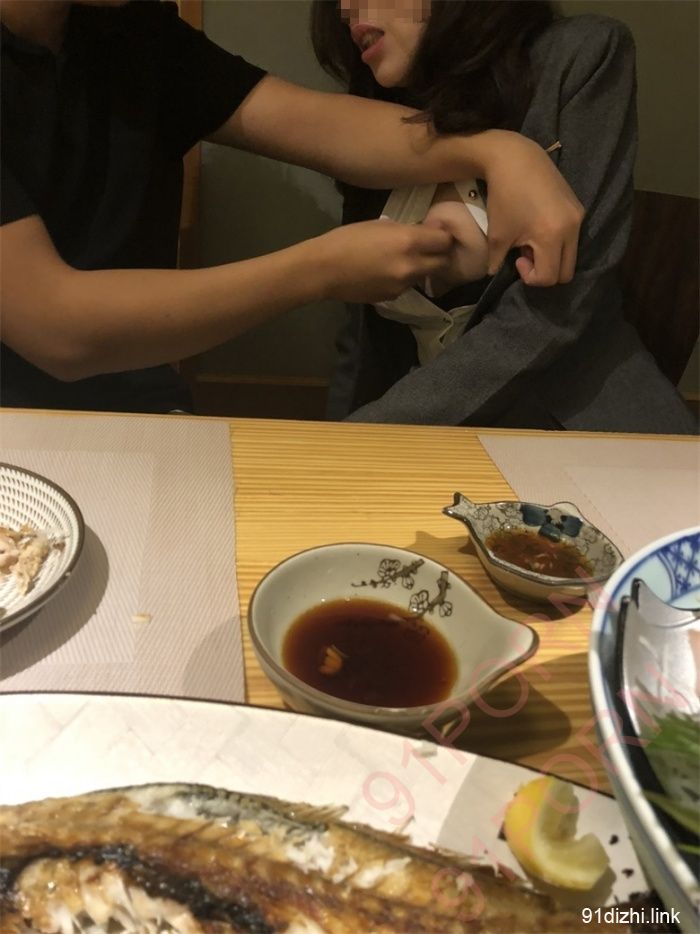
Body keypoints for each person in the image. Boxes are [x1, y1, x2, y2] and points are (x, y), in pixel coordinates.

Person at [0, 0, 583, 415]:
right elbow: (58, 328)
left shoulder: (132, 30)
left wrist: (500, 151)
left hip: (145, 406)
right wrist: (320, 269)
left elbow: (317, 124)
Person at [311, 0, 697, 433]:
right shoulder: (368, 122)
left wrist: (372, 431)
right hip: (419, 435)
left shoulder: (579, 54)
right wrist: (337, 441)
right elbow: (362, 335)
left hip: (584, 427)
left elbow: (556, 311)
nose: (346, 9)